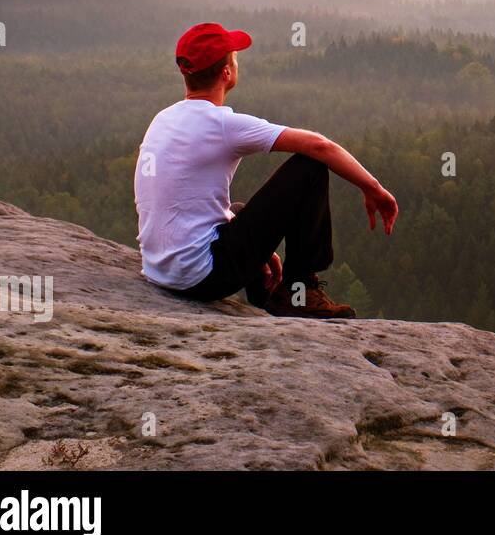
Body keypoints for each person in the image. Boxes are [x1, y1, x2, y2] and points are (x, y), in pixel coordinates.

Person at [133, 22, 398, 319]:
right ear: (226, 73)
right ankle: (300, 291)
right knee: (308, 167)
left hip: (159, 270)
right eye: (234, 57)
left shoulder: (163, 119)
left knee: (236, 210)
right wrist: (372, 188)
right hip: (201, 277)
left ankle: (266, 295)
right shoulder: (221, 124)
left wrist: (258, 249)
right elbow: (320, 146)